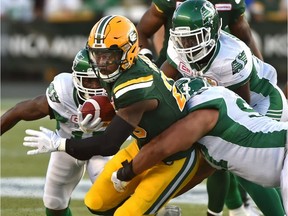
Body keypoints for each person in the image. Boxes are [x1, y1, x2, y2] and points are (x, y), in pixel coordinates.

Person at [22, 15, 212, 216]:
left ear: (127, 52)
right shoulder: (125, 67)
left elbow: (108, 144)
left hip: (172, 155)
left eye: (109, 55)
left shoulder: (133, 87)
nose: (102, 62)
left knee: (125, 214)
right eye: (97, 54)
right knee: (96, 201)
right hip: (143, 145)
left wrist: (59, 144)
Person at [160, 0, 288, 215]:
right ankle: (224, 212)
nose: (187, 45)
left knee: (243, 159)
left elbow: (242, 110)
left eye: (193, 37)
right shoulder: (177, 49)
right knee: (215, 152)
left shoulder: (230, 57)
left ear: (210, 33)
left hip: (262, 102)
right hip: (230, 104)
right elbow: (163, 85)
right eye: (182, 38)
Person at [137, 0, 264, 215]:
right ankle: (156, 203)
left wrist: (262, 72)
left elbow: (244, 36)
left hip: (217, 74)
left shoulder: (230, 11)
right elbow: (143, 31)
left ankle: (234, 207)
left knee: (221, 144)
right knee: (153, 138)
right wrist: (149, 62)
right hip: (177, 69)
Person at [113, 76, 288, 215]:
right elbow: (195, 176)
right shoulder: (213, 134)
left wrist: (126, 173)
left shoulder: (204, 114)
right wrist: (152, 199)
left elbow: (161, 147)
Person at [0, 48, 111, 216]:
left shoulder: (117, 93)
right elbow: (19, 111)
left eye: (98, 80)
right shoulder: (63, 93)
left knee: (109, 197)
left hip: (102, 150)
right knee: (54, 202)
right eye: (88, 81)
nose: (95, 87)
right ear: (76, 79)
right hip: (64, 147)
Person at [136, 0, 263, 68]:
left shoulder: (230, 2)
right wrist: (146, 59)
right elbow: (142, 31)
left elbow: (246, 39)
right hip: (175, 65)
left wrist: (263, 70)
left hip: (218, 69)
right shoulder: (169, 2)